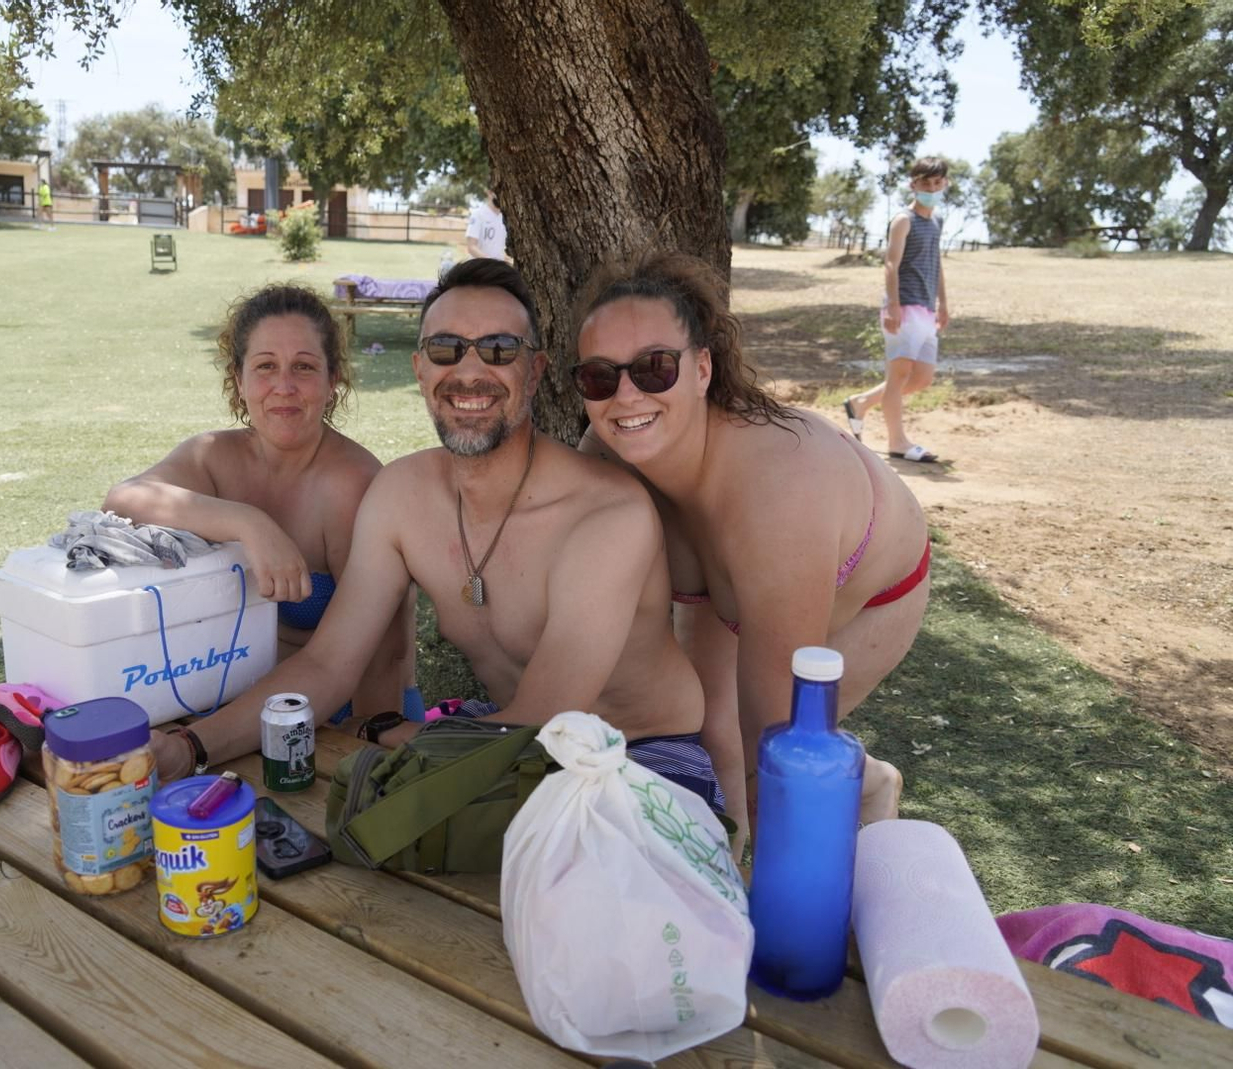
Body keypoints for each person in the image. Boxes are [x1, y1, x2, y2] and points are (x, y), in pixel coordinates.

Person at [148, 259, 728, 820]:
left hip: (638, 755)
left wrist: (393, 730)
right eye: (447, 349)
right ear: (421, 369)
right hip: (494, 741)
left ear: (535, 371)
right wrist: (188, 748)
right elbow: (327, 665)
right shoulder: (401, 494)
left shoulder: (607, 515)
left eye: (499, 350)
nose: (470, 372)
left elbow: (542, 720)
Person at [573, 250, 929, 832]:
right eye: (599, 375)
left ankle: (868, 782)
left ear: (704, 369)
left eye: (655, 367)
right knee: (710, 735)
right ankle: (725, 860)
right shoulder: (606, 452)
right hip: (733, 584)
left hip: (873, 590)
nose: (627, 395)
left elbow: (775, 742)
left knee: (779, 751)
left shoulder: (777, 494)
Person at [104, 284, 414, 723]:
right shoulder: (212, 457)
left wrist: (367, 755)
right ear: (239, 378)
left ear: (333, 380)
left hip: (343, 712)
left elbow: (385, 656)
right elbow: (122, 500)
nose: (284, 386)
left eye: (304, 367)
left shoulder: (353, 485)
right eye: (266, 366)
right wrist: (247, 522)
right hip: (233, 701)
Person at [844, 157, 951, 463]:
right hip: (903, 306)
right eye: (924, 183)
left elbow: (937, 262)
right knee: (900, 374)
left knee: (922, 378)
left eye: (936, 183)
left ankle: (861, 403)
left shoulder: (936, 221)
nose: (931, 188)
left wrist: (943, 302)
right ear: (913, 184)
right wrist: (893, 305)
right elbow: (891, 263)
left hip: (927, 309)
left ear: (944, 184)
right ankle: (898, 443)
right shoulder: (903, 220)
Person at [464, 189, 510, 263]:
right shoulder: (478, 214)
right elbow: (471, 247)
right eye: (497, 193)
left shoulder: (504, 217)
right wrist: (491, 262)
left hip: (498, 269)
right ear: (489, 192)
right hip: (479, 268)